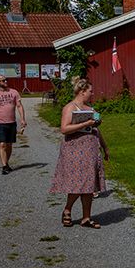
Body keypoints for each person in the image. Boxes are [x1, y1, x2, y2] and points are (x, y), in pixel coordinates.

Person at [49, 78, 109, 228]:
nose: (92, 93)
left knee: (89, 183)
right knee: (78, 182)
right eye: (90, 91)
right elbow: (64, 129)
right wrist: (85, 124)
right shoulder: (70, 108)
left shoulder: (91, 109)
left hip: (90, 149)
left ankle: (86, 218)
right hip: (74, 149)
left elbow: (96, 126)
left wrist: (104, 146)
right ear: (82, 92)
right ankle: (67, 209)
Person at [0, 74, 26, 175]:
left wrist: (22, 119)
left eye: (6, 80)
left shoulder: (14, 92)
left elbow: (19, 106)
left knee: (9, 145)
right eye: (3, 80)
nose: (5, 82)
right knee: (2, 144)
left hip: (12, 122)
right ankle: (4, 166)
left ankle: (6, 163)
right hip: (0, 123)